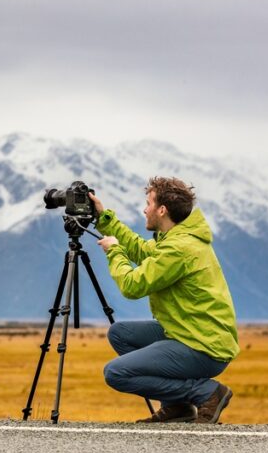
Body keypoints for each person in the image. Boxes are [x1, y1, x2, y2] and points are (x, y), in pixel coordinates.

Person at [88, 176, 238, 424]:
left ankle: (207, 393)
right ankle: (177, 407)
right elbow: (139, 250)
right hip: (188, 333)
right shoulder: (175, 240)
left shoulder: (178, 248)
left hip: (202, 346)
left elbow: (133, 285)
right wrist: (105, 219)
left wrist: (114, 251)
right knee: (120, 333)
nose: (144, 209)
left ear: (162, 210)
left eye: (148, 203)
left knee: (116, 373)